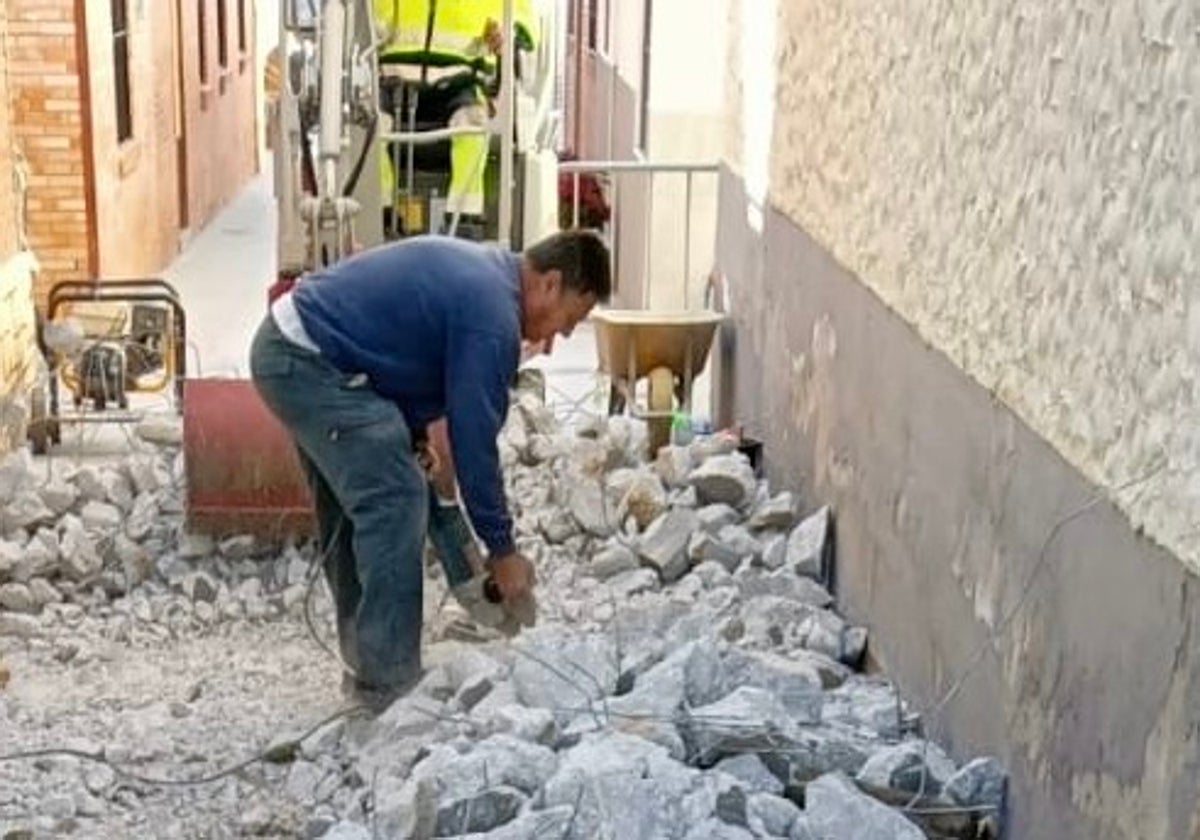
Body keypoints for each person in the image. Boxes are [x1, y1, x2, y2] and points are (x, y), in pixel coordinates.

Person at [249, 230, 611, 708]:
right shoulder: (493, 317)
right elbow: (474, 442)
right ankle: (388, 684)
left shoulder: (488, 279)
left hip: (297, 347)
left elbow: (397, 347)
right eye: (569, 321)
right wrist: (501, 550)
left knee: (359, 503)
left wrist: (414, 436)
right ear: (550, 283)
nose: (555, 341)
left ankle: (365, 663)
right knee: (396, 500)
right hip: (308, 361)